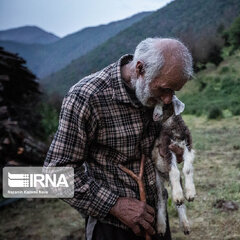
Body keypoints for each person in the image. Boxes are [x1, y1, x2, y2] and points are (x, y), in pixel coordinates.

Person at [44, 37, 193, 240]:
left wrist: (175, 153)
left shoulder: (159, 91)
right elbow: (54, 175)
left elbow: (175, 141)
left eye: (174, 91)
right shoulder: (87, 97)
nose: (168, 99)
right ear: (139, 69)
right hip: (111, 226)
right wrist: (114, 204)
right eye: (164, 89)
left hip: (157, 219)